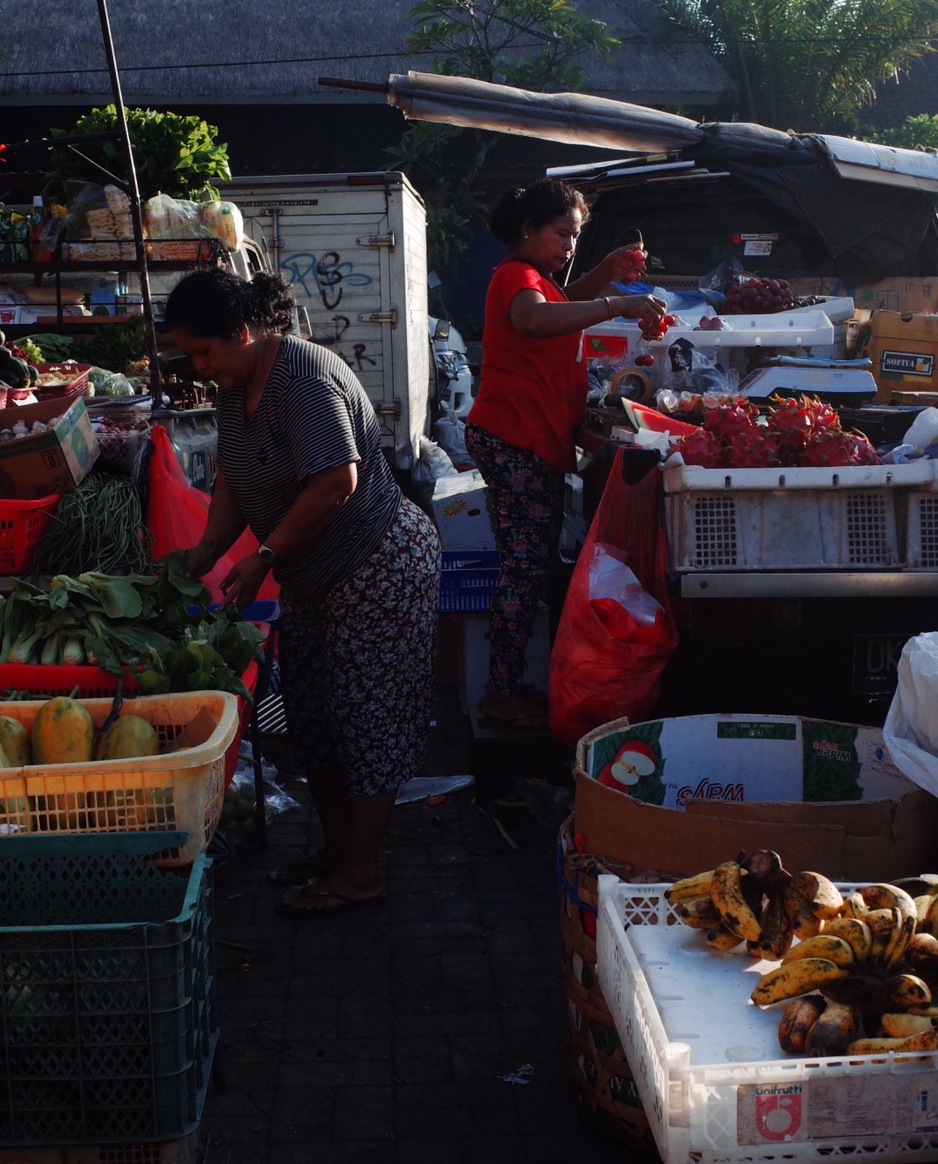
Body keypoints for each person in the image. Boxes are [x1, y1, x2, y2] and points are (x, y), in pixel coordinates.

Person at [168, 268, 441, 918]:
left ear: (241, 332)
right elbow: (236, 477)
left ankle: (363, 872)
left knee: (365, 719)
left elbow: (335, 483)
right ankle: (337, 854)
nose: (202, 367)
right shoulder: (237, 386)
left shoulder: (303, 377)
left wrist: (263, 556)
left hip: (376, 564)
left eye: (206, 351)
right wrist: (209, 547)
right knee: (314, 715)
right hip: (312, 572)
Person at [464, 179, 666, 728]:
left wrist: (605, 271)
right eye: (562, 234)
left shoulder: (541, 282)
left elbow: (560, 303)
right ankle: (499, 693)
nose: (569, 246)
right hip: (514, 438)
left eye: (575, 236)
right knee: (524, 571)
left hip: (529, 437)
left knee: (527, 567)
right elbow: (534, 318)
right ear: (528, 231)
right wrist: (616, 301)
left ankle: (508, 684)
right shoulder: (516, 276)